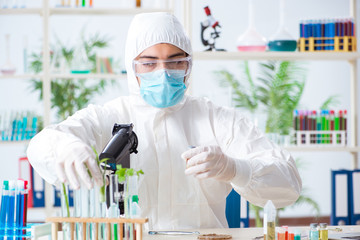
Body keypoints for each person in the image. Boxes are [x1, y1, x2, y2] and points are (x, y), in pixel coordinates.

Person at [27, 12, 302, 230]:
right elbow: (43, 144)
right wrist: (65, 147)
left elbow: (289, 185)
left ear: (189, 64)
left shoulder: (217, 119)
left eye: (175, 61)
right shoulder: (107, 116)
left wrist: (234, 168)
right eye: (148, 63)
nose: (163, 72)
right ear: (131, 66)